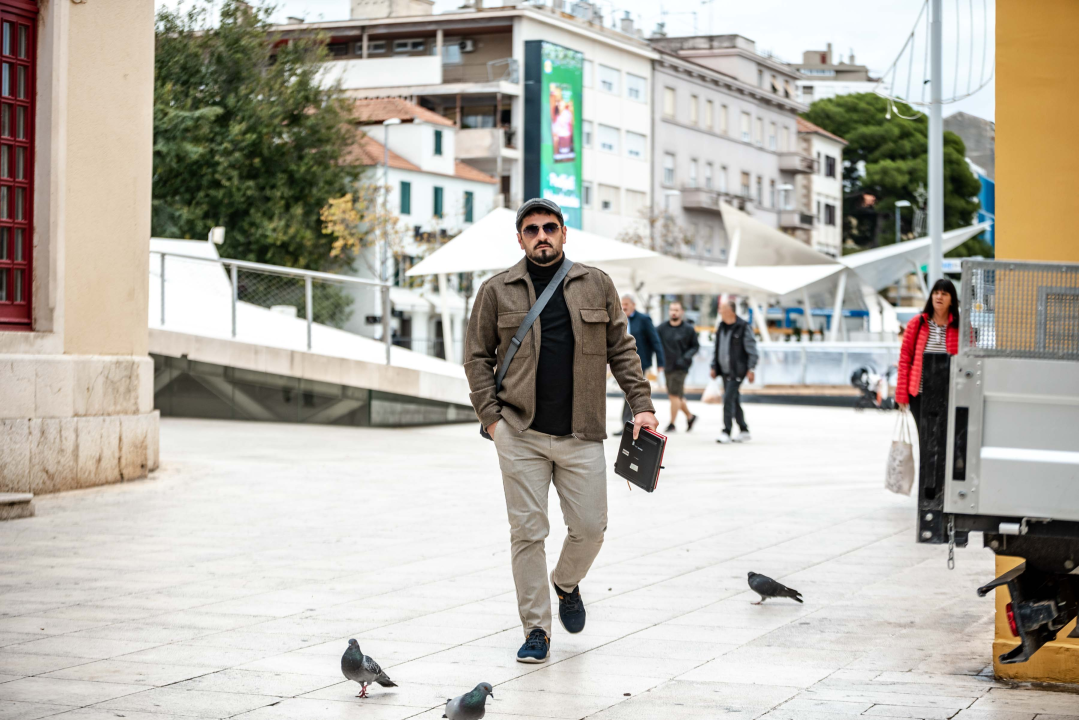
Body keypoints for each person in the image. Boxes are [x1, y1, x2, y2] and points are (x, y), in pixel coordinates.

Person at [464, 198, 658, 665]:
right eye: (531, 230)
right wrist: (492, 419)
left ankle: (566, 583)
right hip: (520, 432)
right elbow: (476, 357)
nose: (541, 236)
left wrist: (643, 407)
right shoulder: (496, 290)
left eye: (550, 227)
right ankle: (536, 629)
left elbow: (623, 350)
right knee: (528, 532)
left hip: (581, 431)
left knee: (591, 529)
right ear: (520, 238)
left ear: (564, 232)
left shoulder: (596, 284)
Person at [896, 278, 960, 433]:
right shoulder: (916, 324)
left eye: (944, 294)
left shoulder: (961, 327)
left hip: (949, 393)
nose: (939, 297)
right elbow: (904, 360)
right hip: (920, 394)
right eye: (936, 293)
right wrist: (901, 395)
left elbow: (969, 359)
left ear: (952, 300)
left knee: (946, 440)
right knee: (925, 439)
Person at [615, 294, 664, 435]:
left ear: (633, 305)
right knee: (627, 392)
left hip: (640, 362)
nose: (624, 307)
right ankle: (627, 424)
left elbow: (655, 341)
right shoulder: (618, 319)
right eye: (622, 304)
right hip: (622, 362)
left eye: (626, 304)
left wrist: (660, 363)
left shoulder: (644, 319)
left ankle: (629, 423)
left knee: (631, 391)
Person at [710, 300, 758, 444]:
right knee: (734, 400)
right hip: (724, 371)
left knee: (728, 399)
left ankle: (726, 431)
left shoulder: (743, 327)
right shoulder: (721, 326)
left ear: (731, 311)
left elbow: (752, 350)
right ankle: (744, 430)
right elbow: (717, 349)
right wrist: (714, 366)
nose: (720, 311)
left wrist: (751, 369)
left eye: (722, 309)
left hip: (738, 370)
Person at [657, 300, 700, 432]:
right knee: (675, 395)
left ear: (681, 312)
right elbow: (655, 344)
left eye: (676, 310)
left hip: (681, 367)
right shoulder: (661, 328)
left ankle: (672, 423)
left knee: (674, 395)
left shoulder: (688, 329)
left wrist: (685, 358)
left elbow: (695, 346)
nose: (674, 312)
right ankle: (690, 416)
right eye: (671, 310)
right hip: (667, 365)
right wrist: (659, 362)